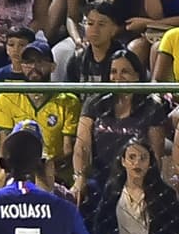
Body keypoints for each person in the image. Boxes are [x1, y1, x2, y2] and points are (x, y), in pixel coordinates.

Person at [72, 49, 168, 207]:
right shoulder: (95, 103)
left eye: (125, 72)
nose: (118, 78)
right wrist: (80, 177)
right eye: (113, 72)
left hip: (136, 178)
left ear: (137, 76)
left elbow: (156, 156)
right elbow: (82, 146)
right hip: (99, 177)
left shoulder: (151, 107)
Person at [0, 42, 81, 177]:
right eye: (28, 62)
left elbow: (67, 151)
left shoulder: (68, 101)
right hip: (17, 172)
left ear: (53, 67)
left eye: (40, 62)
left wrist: (41, 172)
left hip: (55, 172)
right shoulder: (8, 96)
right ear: (21, 66)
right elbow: (4, 146)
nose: (33, 67)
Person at [67, 0, 131, 84]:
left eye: (101, 24)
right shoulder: (77, 59)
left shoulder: (124, 60)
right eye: (90, 23)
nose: (95, 29)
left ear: (114, 29)